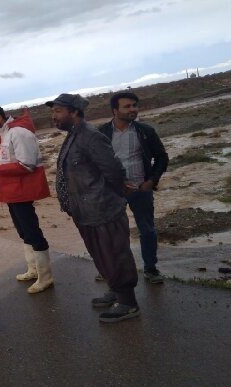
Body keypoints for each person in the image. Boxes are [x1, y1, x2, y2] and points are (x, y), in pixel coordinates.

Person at [47, 94, 139, 323]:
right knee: (101, 254)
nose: (54, 116)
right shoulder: (73, 136)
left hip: (103, 209)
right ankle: (116, 291)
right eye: (54, 112)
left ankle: (128, 303)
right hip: (85, 211)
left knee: (115, 254)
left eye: (58, 111)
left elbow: (113, 170)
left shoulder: (90, 136)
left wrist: (115, 195)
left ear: (74, 112)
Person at [0, 103, 54, 294]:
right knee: (23, 231)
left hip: (22, 191)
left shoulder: (18, 132)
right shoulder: (4, 133)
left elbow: (27, 165)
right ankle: (34, 269)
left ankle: (46, 277)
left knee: (32, 231)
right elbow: (8, 159)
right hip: (12, 191)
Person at [98, 92, 169, 284]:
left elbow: (162, 158)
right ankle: (114, 269)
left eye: (135, 105)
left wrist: (151, 181)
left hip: (141, 190)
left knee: (147, 230)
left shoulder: (145, 131)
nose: (133, 109)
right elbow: (95, 163)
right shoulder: (101, 133)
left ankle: (151, 269)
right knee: (113, 232)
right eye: (127, 106)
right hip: (113, 192)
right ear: (115, 110)